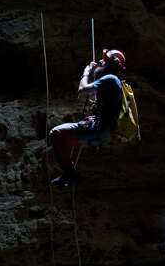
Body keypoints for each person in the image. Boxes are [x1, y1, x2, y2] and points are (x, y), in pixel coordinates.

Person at [48, 49, 125, 188]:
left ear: (110, 63)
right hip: (104, 132)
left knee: (56, 133)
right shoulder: (113, 83)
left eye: (103, 61)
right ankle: (69, 174)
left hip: (98, 130)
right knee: (70, 141)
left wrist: (87, 71)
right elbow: (93, 96)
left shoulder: (110, 79)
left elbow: (82, 90)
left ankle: (70, 174)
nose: (100, 62)